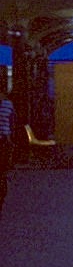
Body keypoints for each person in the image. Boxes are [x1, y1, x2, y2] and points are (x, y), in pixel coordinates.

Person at [0, 82, 15, 218]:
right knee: (3, 170)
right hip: (4, 140)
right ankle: (2, 196)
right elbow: (11, 123)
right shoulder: (8, 105)